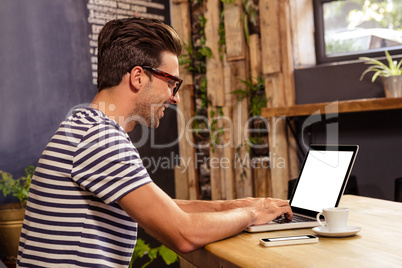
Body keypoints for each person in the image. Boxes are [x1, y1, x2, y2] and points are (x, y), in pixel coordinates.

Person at [17, 17, 292, 267]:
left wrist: (232, 206)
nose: (176, 97)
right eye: (172, 82)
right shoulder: (100, 138)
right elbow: (183, 233)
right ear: (138, 77)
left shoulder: (86, 126)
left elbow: (160, 208)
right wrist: (253, 215)